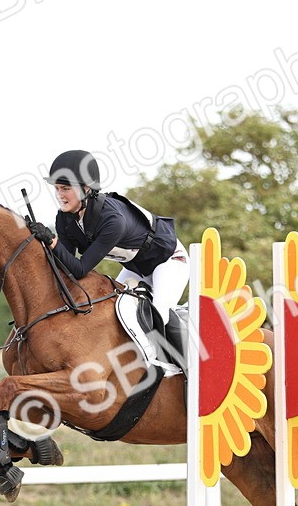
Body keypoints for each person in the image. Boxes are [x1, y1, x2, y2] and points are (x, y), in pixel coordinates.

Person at [25, 150, 189, 358]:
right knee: (113, 312)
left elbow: (80, 269)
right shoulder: (65, 218)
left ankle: (188, 367)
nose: (60, 195)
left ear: (86, 189)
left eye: (65, 188)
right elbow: (66, 268)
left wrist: (52, 241)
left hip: (169, 261)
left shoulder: (112, 220)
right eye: (57, 188)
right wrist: (40, 245)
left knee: (159, 314)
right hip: (135, 268)